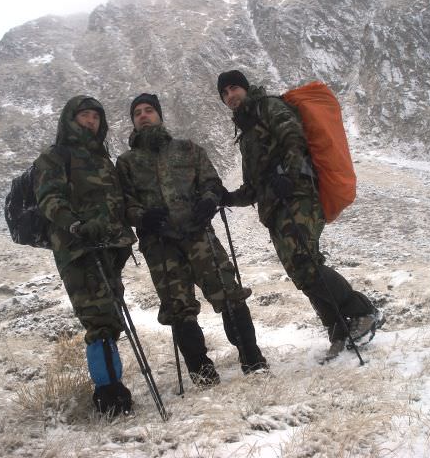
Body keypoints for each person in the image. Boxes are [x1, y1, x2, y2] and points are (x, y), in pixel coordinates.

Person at [216, 70, 384, 362]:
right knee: (301, 270)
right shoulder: (245, 136)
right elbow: (253, 187)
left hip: (297, 197)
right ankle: (338, 329)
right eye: (225, 93)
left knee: (304, 262)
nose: (231, 96)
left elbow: (293, 136)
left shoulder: (267, 106)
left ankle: (361, 312)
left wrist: (290, 176)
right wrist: (228, 198)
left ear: (245, 88)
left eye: (234, 89)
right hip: (274, 208)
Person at [116, 93, 268, 387]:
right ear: (133, 121)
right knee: (178, 307)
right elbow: (123, 202)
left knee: (228, 292)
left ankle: (252, 358)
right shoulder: (126, 163)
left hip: (198, 234)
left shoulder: (188, 150)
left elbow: (211, 182)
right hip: (159, 244)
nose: (144, 115)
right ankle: (201, 371)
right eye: (138, 113)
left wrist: (208, 201)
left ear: (159, 115)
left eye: (149, 110)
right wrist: (142, 216)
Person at [33, 95, 137, 415]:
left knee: (111, 314)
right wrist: (76, 225)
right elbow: (49, 199)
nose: (91, 121)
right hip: (78, 250)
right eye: (85, 116)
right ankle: (108, 392)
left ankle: (112, 384)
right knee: (98, 319)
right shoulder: (55, 156)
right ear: (70, 119)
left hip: (110, 246)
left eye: (95, 116)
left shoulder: (102, 159)